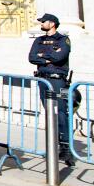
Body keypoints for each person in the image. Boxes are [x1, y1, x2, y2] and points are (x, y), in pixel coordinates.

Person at [29, 13, 74, 167]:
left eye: (44, 21)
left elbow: (60, 57)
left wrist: (44, 57)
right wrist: (49, 57)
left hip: (58, 81)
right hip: (43, 79)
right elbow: (32, 57)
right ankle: (53, 146)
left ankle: (66, 147)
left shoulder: (63, 39)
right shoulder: (38, 40)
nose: (41, 23)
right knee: (49, 113)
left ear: (52, 23)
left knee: (61, 112)